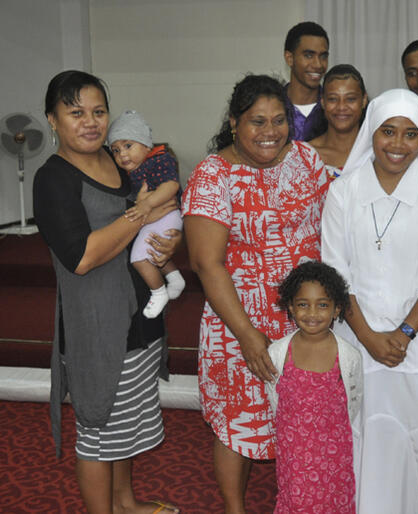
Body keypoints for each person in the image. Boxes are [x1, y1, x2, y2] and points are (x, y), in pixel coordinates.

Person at [33, 70, 181, 513]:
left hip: (139, 312)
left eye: (99, 111)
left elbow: (165, 207)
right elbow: (82, 257)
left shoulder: (118, 163)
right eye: (75, 112)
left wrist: (167, 240)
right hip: (95, 324)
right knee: (98, 430)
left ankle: (126, 503)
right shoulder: (52, 179)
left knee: (127, 422)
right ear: (52, 120)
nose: (91, 122)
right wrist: (141, 213)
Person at [182, 74, 330, 514]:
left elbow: (335, 223)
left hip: (305, 320)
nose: (270, 132)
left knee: (302, 421)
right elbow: (206, 263)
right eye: (257, 122)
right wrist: (247, 335)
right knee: (238, 422)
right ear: (234, 124)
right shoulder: (214, 175)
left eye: (279, 120)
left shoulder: (305, 158)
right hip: (238, 321)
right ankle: (234, 508)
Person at [321, 88, 418, 513]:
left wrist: (404, 333)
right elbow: (336, 274)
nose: (398, 144)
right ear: (372, 132)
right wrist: (369, 337)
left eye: (411, 134)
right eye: (389, 131)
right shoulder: (343, 192)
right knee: (374, 448)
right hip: (359, 342)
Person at [265, 260, 363, 513]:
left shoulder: (348, 355)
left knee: (332, 501)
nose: (312, 313)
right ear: (290, 307)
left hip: (334, 453)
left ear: (337, 309)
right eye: (303, 305)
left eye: (322, 305)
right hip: (293, 451)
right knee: (296, 500)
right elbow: (274, 399)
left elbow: (355, 401)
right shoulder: (277, 353)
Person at [107, 110, 185, 318]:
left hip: (166, 214)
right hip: (156, 216)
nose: (122, 154)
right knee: (154, 250)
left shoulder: (158, 160)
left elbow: (171, 185)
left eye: (128, 146)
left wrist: (146, 205)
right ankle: (175, 277)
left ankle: (158, 292)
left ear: (146, 145)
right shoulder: (133, 169)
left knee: (139, 258)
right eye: (115, 150)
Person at [308, 64, 368, 177]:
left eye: (350, 99)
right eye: (333, 99)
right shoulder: (306, 155)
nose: (341, 107)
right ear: (323, 102)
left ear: (364, 100)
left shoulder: (376, 152)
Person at [283, 21, 330, 141]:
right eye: (309, 55)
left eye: (323, 56)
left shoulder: (335, 109)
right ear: (290, 59)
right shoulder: (273, 106)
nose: (318, 64)